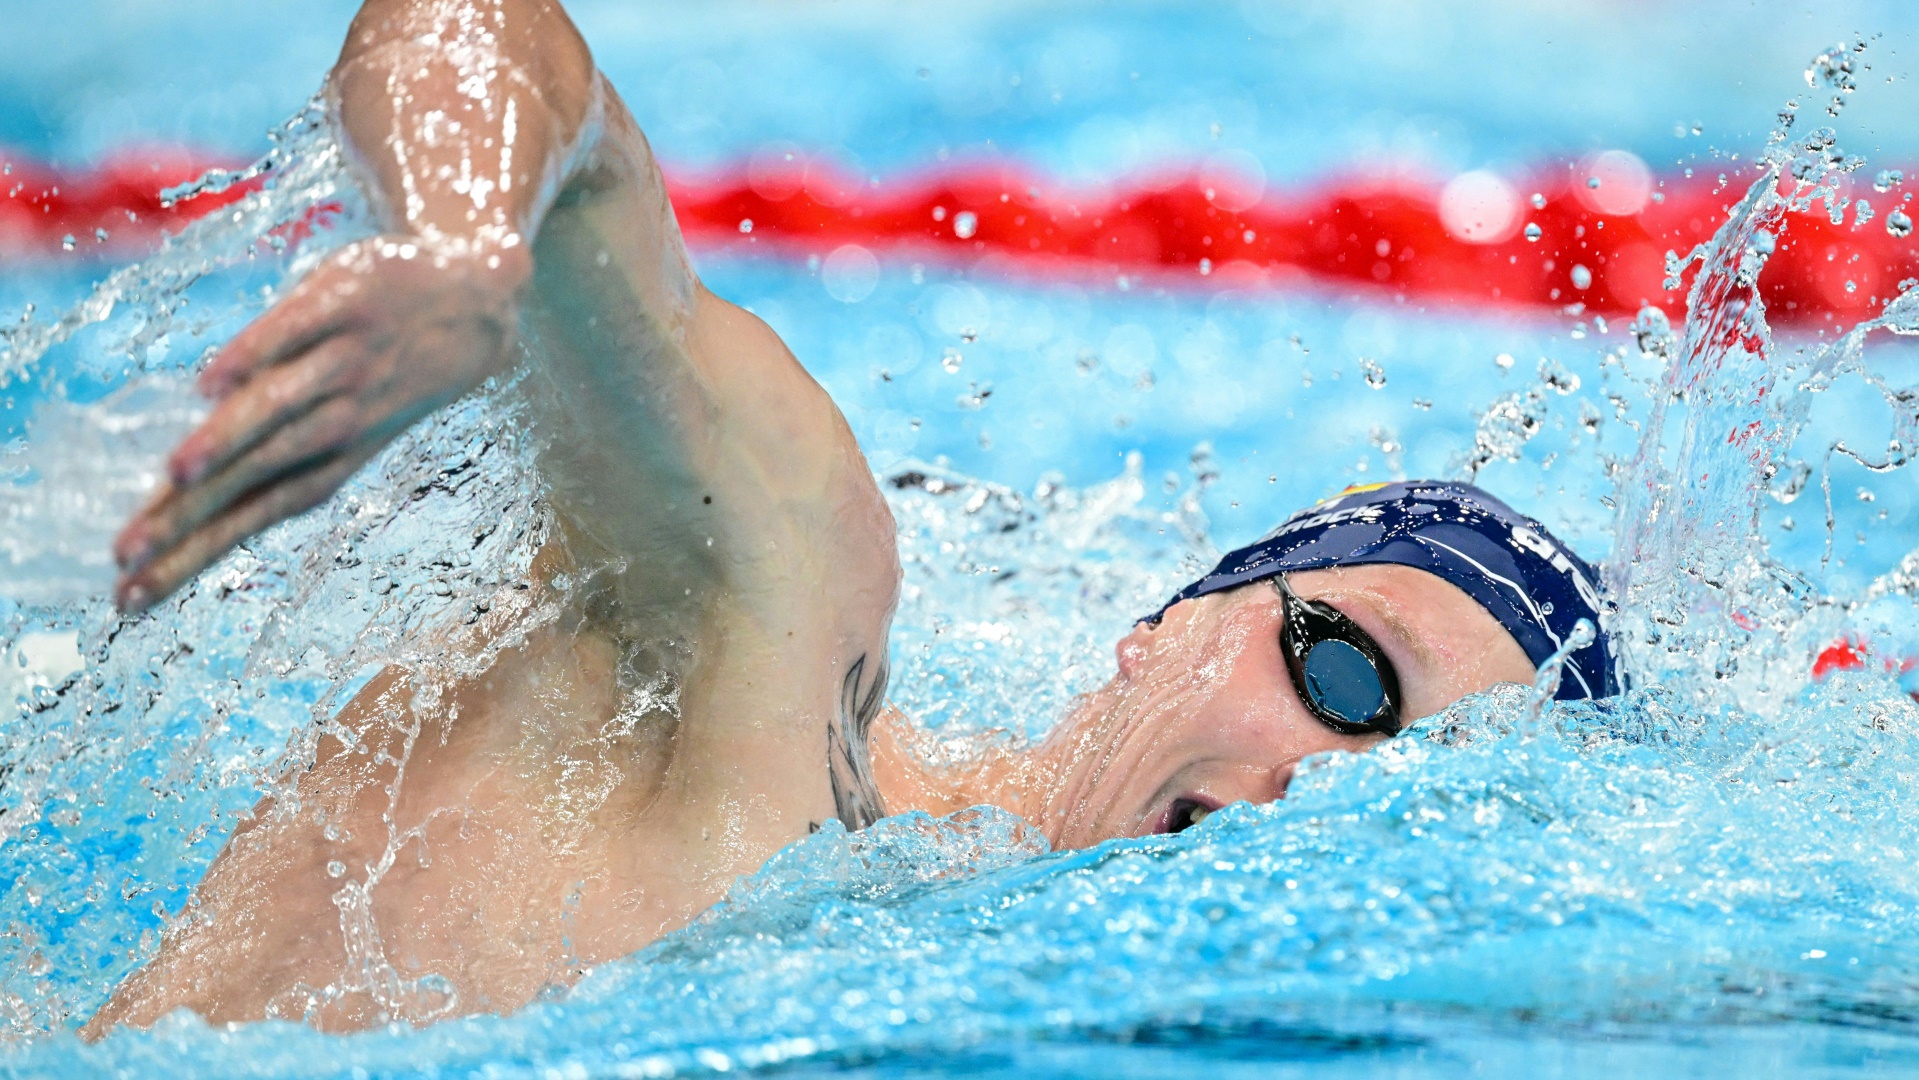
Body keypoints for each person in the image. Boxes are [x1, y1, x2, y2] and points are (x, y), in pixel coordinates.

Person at [82, 0, 1616, 1037]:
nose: (1314, 795)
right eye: (1348, 678)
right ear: (1168, 631)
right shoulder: (765, 652)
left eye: (1417, 795)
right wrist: (463, 246)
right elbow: (485, 30)